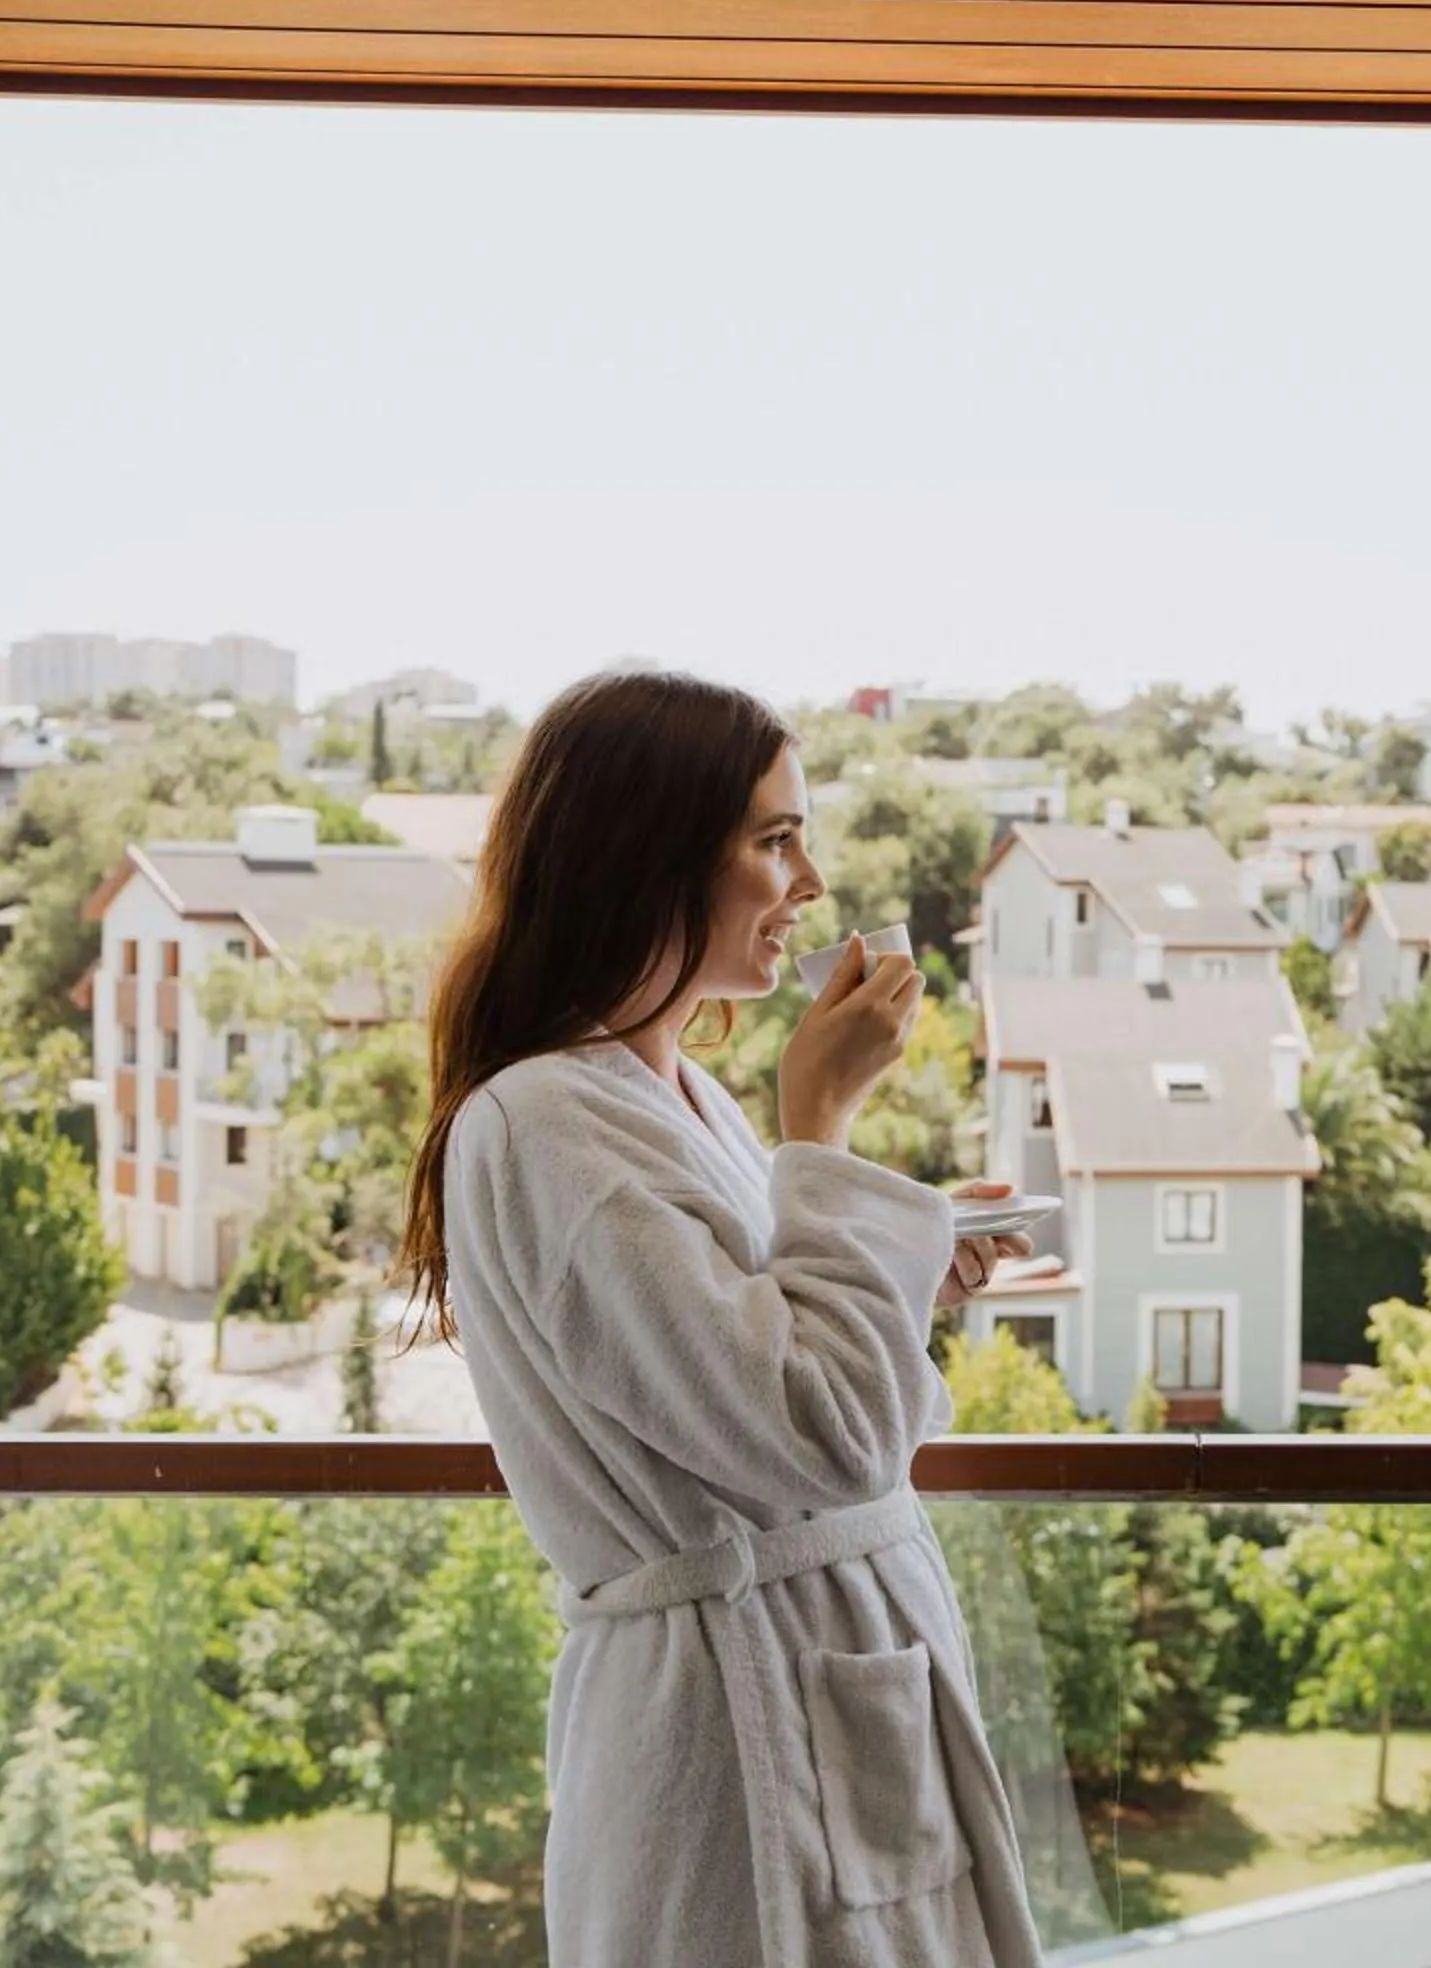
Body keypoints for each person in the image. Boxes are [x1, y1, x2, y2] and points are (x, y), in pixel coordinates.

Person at [397, 670, 1044, 1965]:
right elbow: (826, 1437)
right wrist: (830, 1132)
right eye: (774, 839)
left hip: (834, 1682)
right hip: (732, 1731)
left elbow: (804, 1394)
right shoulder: (544, 1127)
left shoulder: (684, 1104)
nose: (809, 883)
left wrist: (902, 1274)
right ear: (648, 854)